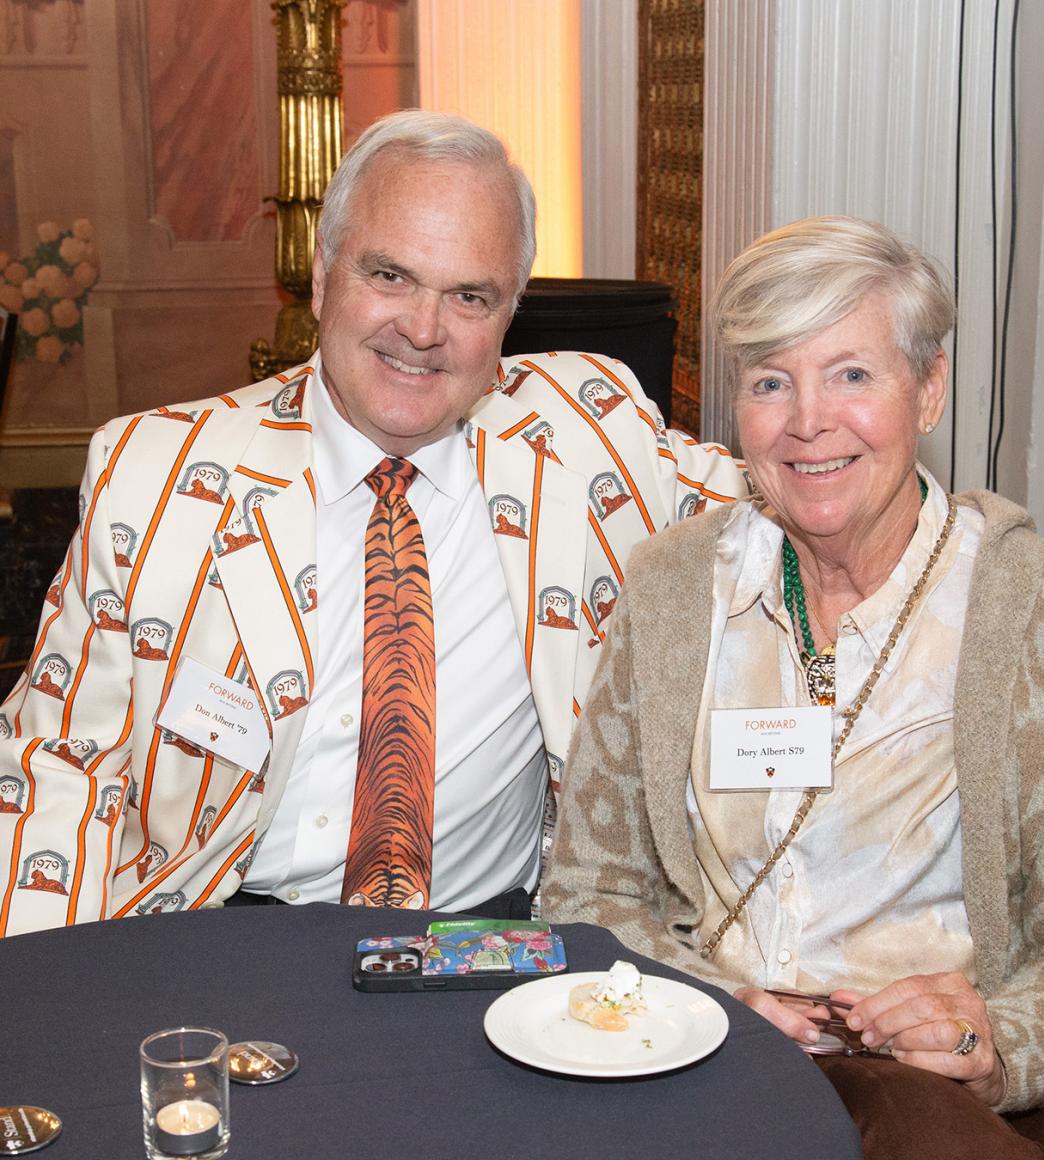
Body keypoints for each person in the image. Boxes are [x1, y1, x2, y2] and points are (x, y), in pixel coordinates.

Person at [0, 110, 748, 936]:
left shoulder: (588, 429)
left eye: (469, 296)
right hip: (220, 936)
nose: (422, 331)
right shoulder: (155, 472)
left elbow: (805, 506)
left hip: (484, 950)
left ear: (509, 317)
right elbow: (57, 766)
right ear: (322, 276)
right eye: (389, 276)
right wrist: (44, 1013)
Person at [542, 216, 1044, 1159]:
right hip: (718, 1061)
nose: (807, 421)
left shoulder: (1034, 613)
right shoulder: (675, 593)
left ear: (931, 389)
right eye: (769, 382)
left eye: (853, 374)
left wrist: (994, 1043)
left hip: (961, 1097)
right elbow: (590, 889)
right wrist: (715, 1003)